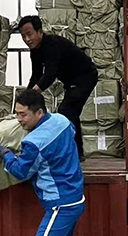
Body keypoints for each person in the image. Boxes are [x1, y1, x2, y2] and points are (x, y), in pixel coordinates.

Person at [0, 89, 85, 236]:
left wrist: (7, 155)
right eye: (17, 114)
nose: (19, 119)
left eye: (23, 115)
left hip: (60, 205)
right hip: (75, 197)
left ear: (39, 113)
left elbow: (21, 172)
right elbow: (70, 135)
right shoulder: (62, 121)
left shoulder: (33, 142)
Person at [17, 15, 98, 161]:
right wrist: (25, 98)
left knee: (66, 110)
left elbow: (50, 74)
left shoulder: (52, 45)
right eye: (23, 36)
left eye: (29, 34)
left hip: (84, 77)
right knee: (71, 112)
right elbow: (36, 75)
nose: (27, 39)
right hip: (71, 81)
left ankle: (74, 153)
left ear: (40, 32)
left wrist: (32, 95)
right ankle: (76, 151)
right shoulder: (35, 50)